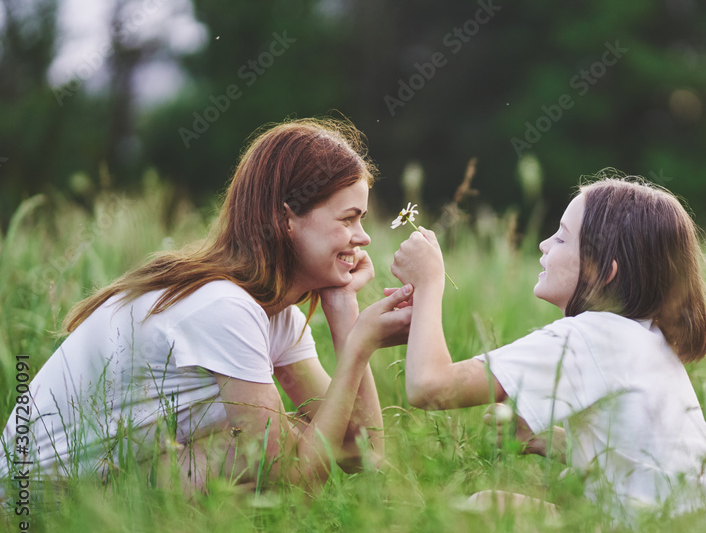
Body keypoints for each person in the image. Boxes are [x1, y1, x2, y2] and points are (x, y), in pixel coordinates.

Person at [0, 118, 412, 497]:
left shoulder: (274, 311)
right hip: (39, 500)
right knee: (256, 456)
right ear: (286, 217)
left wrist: (343, 308)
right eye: (348, 219)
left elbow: (360, 450)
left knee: (287, 438)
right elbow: (291, 472)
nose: (363, 238)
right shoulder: (224, 306)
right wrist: (360, 346)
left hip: (101, 482)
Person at [390, 173, 706, 523]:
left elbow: (430, 387)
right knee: (556, 493)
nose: (543, 244)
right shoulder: (646, 338)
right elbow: (643, 467)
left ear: (602, 272)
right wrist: (547, 440)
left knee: (485, 507)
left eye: (562, 238)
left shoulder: (589, 336)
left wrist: (429, 283)